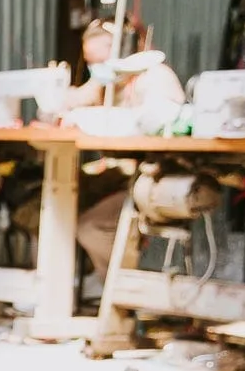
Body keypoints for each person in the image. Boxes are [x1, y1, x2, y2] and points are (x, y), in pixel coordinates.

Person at [63, 18, 188, 277]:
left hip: (155, 177)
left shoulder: (155, 78)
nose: (95, 68)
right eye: (90, 62)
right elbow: (72, 100)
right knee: (43, 206)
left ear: (125, 51)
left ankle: (122, 292)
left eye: (101, 60)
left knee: (91, 227)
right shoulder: (107, 80)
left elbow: (156, 125)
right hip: (121, 178)